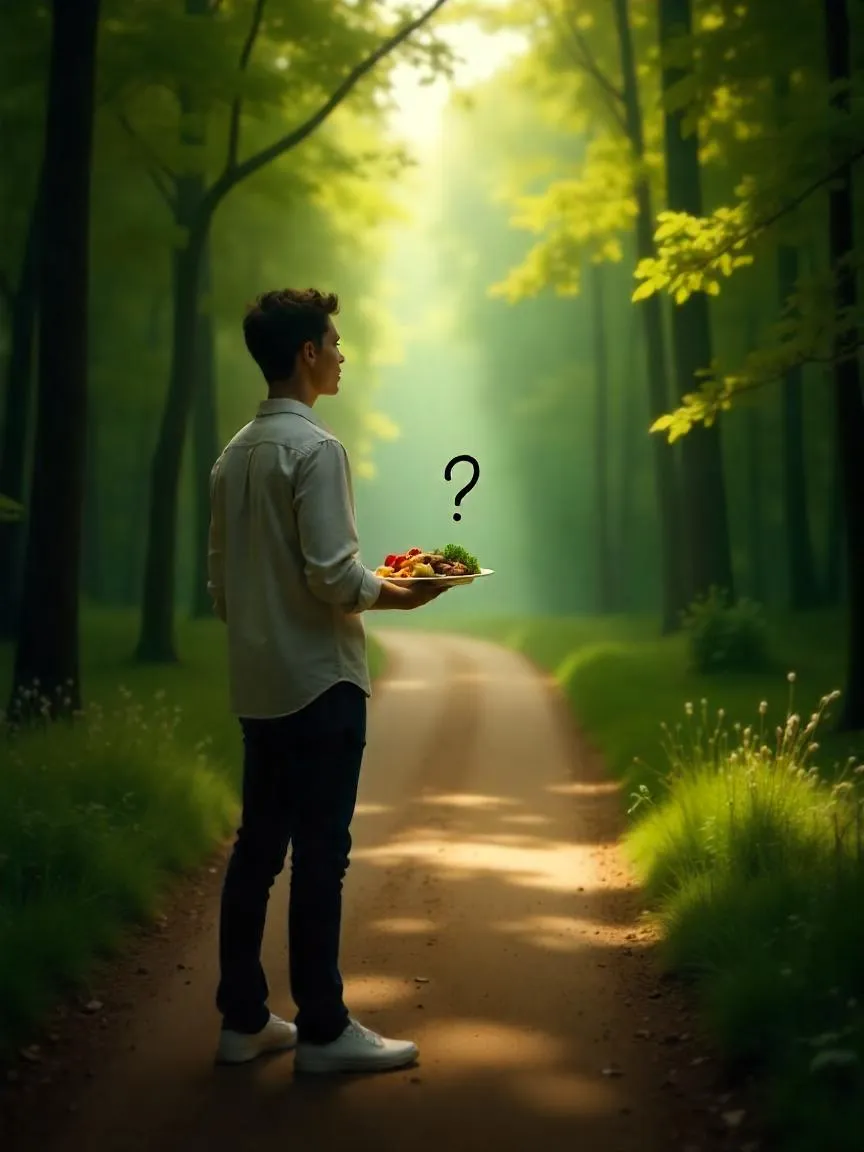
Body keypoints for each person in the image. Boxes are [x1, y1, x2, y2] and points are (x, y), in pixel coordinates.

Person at [208, 288, 449, 1075]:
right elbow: (331, 575)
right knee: (321, 858)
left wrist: (346, 583)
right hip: (322, 684)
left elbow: (224, 586)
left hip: (259, 683)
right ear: (307, 353)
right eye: (335, 342)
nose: (343, 353)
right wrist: (402, 592)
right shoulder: (318, 450)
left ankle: (244, 1022)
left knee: (257, 852)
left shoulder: (231, 456)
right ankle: (322, 1030)